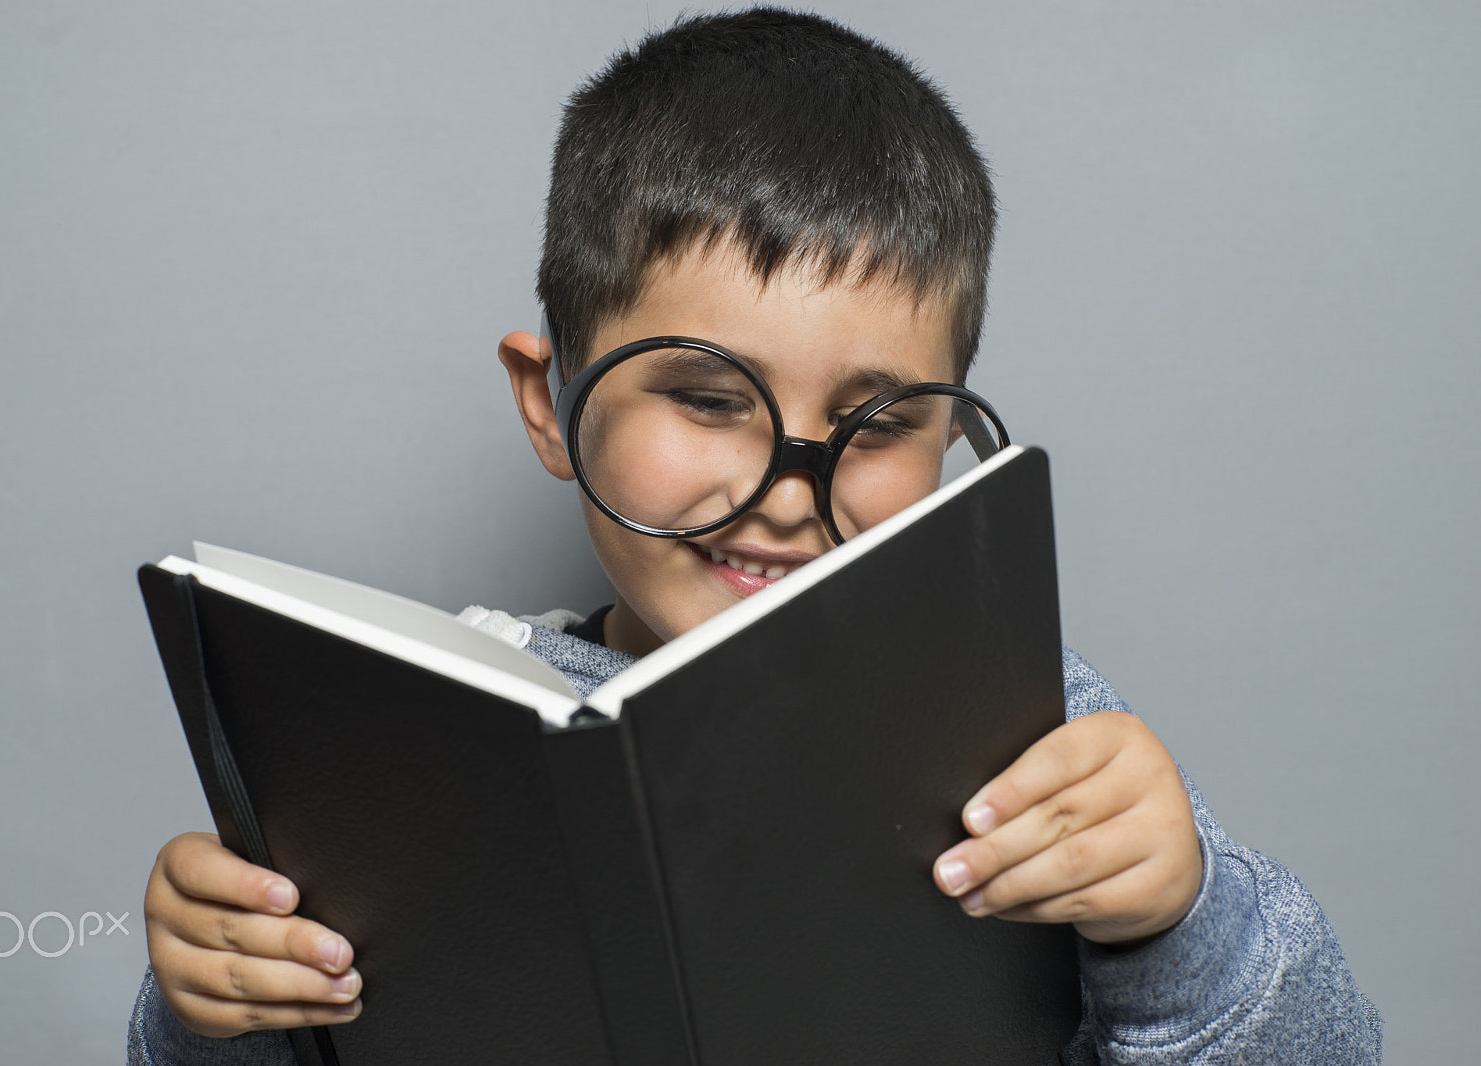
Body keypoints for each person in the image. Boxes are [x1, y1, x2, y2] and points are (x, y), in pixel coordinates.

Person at [129, 9, 1381, 1064]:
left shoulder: (1025, 727)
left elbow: (1334, 1047)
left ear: (951, 434)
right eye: (711, 400)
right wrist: (207, 1011)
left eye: (876, 419)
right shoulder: (400, 745)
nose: (789, 488)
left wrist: (1180, 924)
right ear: (549, 404)